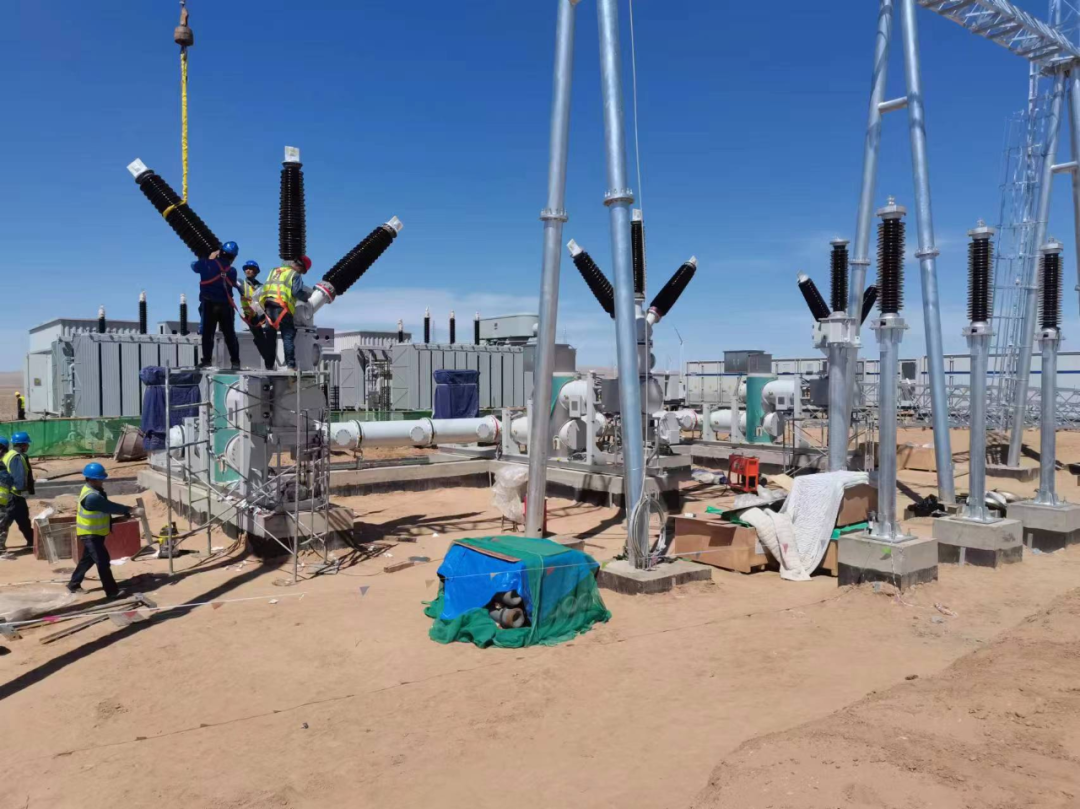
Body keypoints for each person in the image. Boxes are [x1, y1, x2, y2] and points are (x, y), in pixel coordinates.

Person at [67, 463, 142, 598]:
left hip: (95, 533)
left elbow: (102, 512)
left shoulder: (95, 491)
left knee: (87, 560)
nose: (102, 481)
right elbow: (109, 507)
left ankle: (73, 584)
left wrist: (118, 519)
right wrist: (131, 509)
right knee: (102, 561)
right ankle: (112, 591)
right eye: (100, 479)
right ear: (92, 479)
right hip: (90, 534)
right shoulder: (91, 497)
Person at [191, 240, 241, 370]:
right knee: (230, 334)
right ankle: (235, 362)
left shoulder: (206, 264)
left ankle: (207, 360)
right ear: (233, 257)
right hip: (226, 306)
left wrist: (210, 258)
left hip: (210, 305)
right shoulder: (232, 271)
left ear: (221, 252)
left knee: (208, 334)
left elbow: (194, 266)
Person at [259, 256, 313, 370]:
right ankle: (291, 366)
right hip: (282, 308)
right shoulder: (295, 274)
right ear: (301, 267)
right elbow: (296, 292)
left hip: (268, 307)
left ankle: (269, 366)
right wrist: (307, 297)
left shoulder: (274, 271)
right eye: (302, 271)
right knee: (287, 337)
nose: (301, 273)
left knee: (270, 338)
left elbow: (266, 287)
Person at [0, 432, 35, 560]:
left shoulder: (9, 455)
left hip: (14, 496)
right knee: (4, 522)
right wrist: (23, 488)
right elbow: (18, 478)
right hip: (13, 496)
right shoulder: (16, 457)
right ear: (23, 445)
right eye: (27, 444)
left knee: (23, 520)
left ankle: (32, 542)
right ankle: (0, 550)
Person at [239, 260, 278, 370]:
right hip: (250, 316)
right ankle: (269, 363)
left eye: (251, 269)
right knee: (259, 339)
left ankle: (269, 363)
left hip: (262, 314)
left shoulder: (261, 286)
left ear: (256, 272)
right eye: (247, 268)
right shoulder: (240, 283)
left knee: (270, 337)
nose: (248, 270)